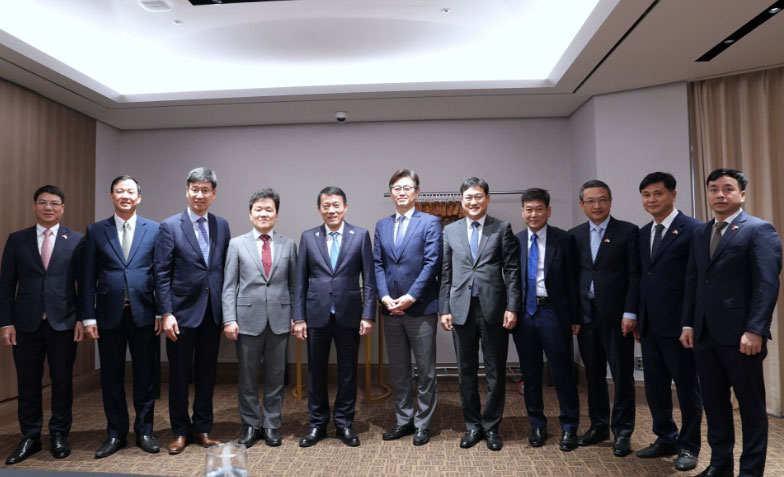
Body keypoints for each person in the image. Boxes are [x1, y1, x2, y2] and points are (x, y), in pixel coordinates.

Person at [681, 168, 782, 477]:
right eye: (713, 189)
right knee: (715, 405)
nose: (719, 194)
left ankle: (751, 472)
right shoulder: (701, 232)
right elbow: (693, 281)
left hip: (742, 337)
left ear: (742, 194)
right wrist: (688, 324)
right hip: (704, 334)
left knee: (751, 409)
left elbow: (767, 285)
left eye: (727, 188)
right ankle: (719, 465)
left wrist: (755, 330)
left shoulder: (758, 229)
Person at [0, 185, 84, 464]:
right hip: (25, 324)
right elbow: (6, 285)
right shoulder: (17, 240)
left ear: (63, 208)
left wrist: (83, 319)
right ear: (35, 206)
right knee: (28, 383)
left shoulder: (76, 240)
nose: (48, 207)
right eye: (43, 202)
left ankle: (59, 433)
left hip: (64, 322)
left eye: (54, 203)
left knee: (62, 382)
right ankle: (30, 437)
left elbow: (84, 286)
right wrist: (6, 323)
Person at [83, 176, 162, 458]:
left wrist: (163, 311)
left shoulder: (154, 229)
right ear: (111, 196)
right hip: (108, 316)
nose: (125, 195)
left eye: (130, 191)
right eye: (120, 191)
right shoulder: (96, 231)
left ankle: (145, 431)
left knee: (145, 376)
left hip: (145, 314)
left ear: (139, 197)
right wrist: (88, 317)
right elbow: (88, 277)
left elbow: (161, 275)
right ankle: (116, 433)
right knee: (112, 377)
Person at [439, 177, 520, 451]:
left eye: (478, 196)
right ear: (461, 201)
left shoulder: (502, 228)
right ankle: (473, 426)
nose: (473, 202)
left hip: (494, 309)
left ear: (487, 199)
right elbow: (446, 274)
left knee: (496, 371)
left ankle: (492, 426)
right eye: (468, 197)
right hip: (461, 309)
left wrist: (512, 306)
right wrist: (444, 309)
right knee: (466, 371)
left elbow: (511, 271)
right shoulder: (450, 231)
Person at [153, 167, 231, 454]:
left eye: (206, 190)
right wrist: (166, 312)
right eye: (195, 189)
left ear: (214, 194)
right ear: (187, 191)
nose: (200, 194)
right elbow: (161, 273)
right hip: (181, 315)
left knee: (207, 374)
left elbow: (222, 269)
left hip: (212, 313)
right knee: (178, 375)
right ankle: (180, 430)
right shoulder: (170, 225)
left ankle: (202, 427)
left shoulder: (222, 225)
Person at [293, 186, 377, 447]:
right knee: (316, 372)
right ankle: (317, 424)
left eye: (336, 205)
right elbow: (299, 282)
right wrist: (298, 317)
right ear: (319, 209)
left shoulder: (360, 235)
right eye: (326, 205)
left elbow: (370, 280)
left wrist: (368, 315)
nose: (331, 210)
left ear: (345, 207)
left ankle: (344, 423)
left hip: (350, 315)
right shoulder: (308, 237)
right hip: (316, 315)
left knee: (348, 372)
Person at [636, 172, 701, 471]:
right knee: (656, 387)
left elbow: (696, 281)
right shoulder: (643, 232)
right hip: (649, 325)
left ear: (673, 195)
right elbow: (642, 279)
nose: (652, 200)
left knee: (687, 389)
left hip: (680, 327)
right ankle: (665, 437)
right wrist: (637, 316)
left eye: (658, 194)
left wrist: (690, 322)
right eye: (647, 195)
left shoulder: (693, 230)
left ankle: (689, 446)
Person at [222, 189, 297, 448]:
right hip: (246, 320)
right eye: (259, 209)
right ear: (250, 213)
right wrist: (229, 319)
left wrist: (296, 317)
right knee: (247, 377)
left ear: (276, 214)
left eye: (269, 210)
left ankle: (272, 425)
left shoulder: (288, 244)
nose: (264, 214)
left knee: (276, 377)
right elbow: (229, 286)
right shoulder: (236, 244)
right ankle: (251, 425)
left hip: (279, 319)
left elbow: (294, 286)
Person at [570, 179, 640, 457]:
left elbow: (635, 275)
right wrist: (574, 316)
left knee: (622, 375)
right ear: (582, 205)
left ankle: (622, 431)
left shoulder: (628, 232)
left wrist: (630, 312)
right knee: (593, 375)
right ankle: (599, 425)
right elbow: (572, 279)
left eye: (602, 200)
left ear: (610, 201)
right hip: (586, 318)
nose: (596, 205)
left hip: (618, 317)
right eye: (590, 201)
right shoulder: (573, 236)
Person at [373, 169, 442, 446]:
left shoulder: (430, 222)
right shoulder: (382, 225)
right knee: (399, 369)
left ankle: (423, 423)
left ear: (417, 192)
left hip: (420, 308)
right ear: (391, 192)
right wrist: (385, 296)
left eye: (407, 188)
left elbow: (432, 263)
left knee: (425, 370)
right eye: (396, 188)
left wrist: (412, 296)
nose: (401, 192)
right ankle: (404, 420)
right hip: (391, 308)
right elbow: (378, 263)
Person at [512, 188, 580, 452]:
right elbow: (511, 281)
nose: (534, 214)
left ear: (548, 211)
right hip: (525, 316)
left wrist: (574, 317)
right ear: (522, 212)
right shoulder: (515, 240)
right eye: (529, 209)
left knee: (562, 372)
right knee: (530, 374)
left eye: (539, 209)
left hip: (553, 313)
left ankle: (569, 426)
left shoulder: (564, 239)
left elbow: (573, 280)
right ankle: (537, 424)